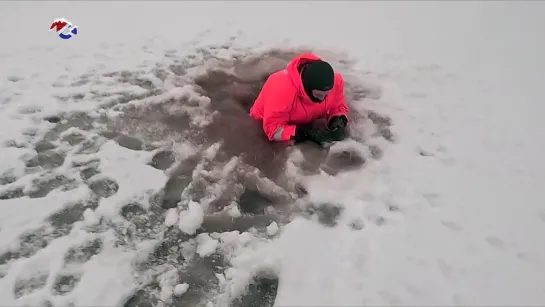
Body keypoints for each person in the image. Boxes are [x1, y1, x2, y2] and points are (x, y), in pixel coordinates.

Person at [249, 52, 349, 146]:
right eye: (318, 95)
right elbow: (273, 130)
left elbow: (338, 106)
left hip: (304, 118)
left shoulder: (335, 83)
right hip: (263, 126)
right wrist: (305, 133)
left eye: (326, 95)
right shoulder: (281, 88)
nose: (322, 99)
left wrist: (338, 121)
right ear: (307, 88)